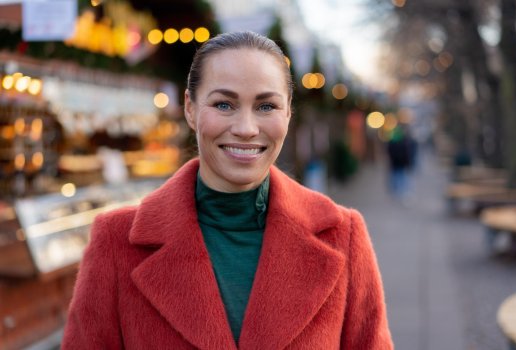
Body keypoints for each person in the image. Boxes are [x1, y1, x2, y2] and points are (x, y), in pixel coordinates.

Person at [62, 31, 393, 350]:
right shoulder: (115, 242)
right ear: (190, 109)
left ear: (289, 112)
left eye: (266, 107)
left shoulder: (343, 235)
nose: (246, 129)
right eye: (223, 105)